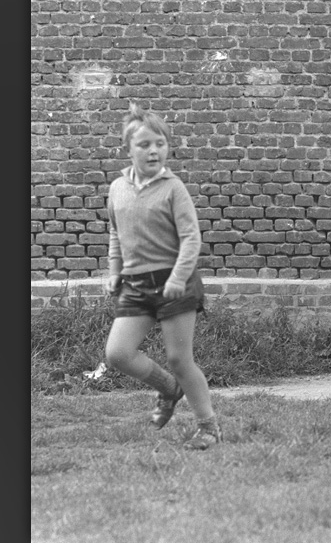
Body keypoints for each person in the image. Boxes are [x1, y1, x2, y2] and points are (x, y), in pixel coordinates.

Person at [104, 103, 221, 450]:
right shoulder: (117, 188)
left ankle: (209, 427)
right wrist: (114, 272)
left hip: (177, 284)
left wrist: (176, 278)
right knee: (118, 354)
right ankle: (169, 389)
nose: (153, 150)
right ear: (128, 149)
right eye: (144, 145)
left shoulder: (174, 188)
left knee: (179, 359)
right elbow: (115, 232)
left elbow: (191, 239)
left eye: (160, 143)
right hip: (136, 284)